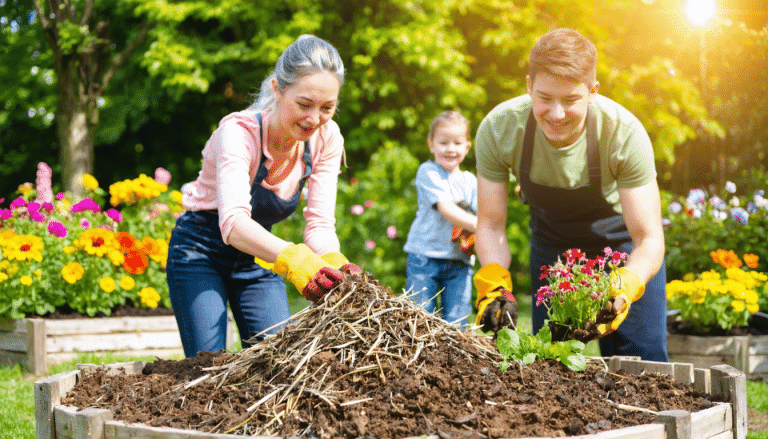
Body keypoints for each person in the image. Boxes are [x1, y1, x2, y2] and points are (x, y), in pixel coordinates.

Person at [472, 28, 668, 361]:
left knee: (642, 363)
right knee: (551, 362)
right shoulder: (500, 129)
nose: (557, 114)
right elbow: (490, 225)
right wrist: (494, 283)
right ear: (529, 86)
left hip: (621, 249)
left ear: (592, 92)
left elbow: (649, 239)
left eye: (571, 99)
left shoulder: (623, 133)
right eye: (545, 98)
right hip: (554, 249)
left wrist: (627, 283)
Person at [167, 35, 360, 358]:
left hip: (260, 257)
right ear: (276, 89)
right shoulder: (238, 134)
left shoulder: (327, 138)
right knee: (209, 367)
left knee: (279, 362)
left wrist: (334, 265)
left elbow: (320, 226)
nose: (315, 119)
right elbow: (234, 224)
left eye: (327, 107)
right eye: (304, 104)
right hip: (201, 250)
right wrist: (296, 260)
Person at [404, 110, 478, 328]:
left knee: (457, 321)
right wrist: (480, 226)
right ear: (431, 145)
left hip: (459, 261)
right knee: (419, 317)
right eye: (443, 142)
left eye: (457, 143)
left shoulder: (472, 181)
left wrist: (481, 232)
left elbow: (479, 216)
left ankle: (452, 361)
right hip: (425, 257)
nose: (450, 149)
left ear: (467, 147)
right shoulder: (429, 171)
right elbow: (446, 208)